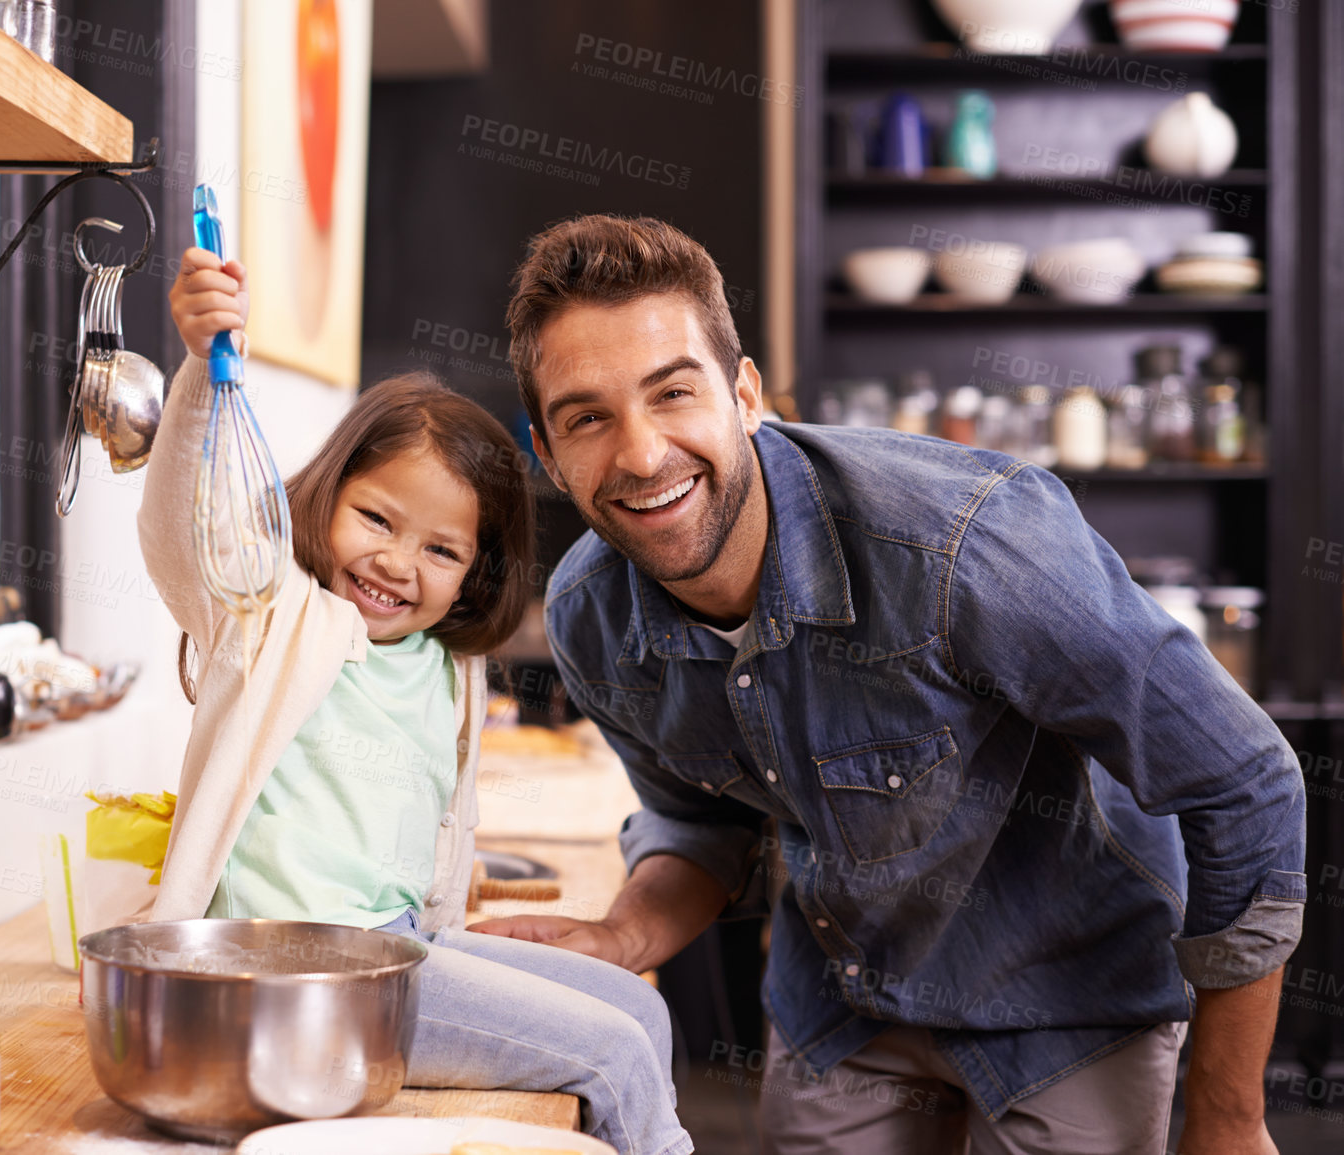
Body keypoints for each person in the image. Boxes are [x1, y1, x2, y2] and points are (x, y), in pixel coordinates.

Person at [470, 214, 1306, 1155]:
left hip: (1071, 998)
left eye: (672, 393)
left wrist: (1229, 1120)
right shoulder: (592, 615)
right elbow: (702, 821)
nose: (640, 454)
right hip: (843, 1000)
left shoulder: (964, 544)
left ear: (746, 395)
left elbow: (1242, 778)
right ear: (547, 454)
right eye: (588, 418)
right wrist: (623, 935)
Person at [137, 244, 695, 1155]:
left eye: (442, 550)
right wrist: (202, 367)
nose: (399, 563)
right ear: (327, 495)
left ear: (475, 570)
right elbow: (181, 525)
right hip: (292, 973)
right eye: (376, 520)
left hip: (394, 950)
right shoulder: (271, 616)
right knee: (615, 1054)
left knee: (639, 1009)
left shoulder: (447, 665)